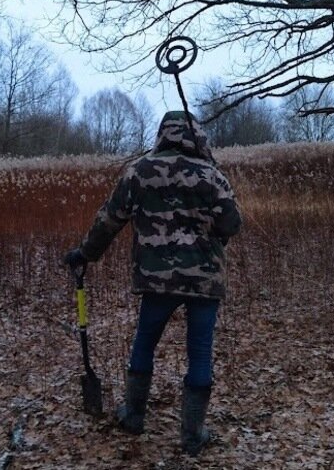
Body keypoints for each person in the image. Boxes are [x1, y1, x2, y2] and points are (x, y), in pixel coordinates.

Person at [64, 111, 242, 457]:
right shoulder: (211, 175)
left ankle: (133, 417)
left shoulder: (139, 171)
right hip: (204, 281)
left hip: (157, 280)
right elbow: (231, 225)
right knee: (200, 352)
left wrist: (85, 254)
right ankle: (192, 436)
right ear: (196, 136)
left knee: (145, 342)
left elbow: (109, 219)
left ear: (162, 134)